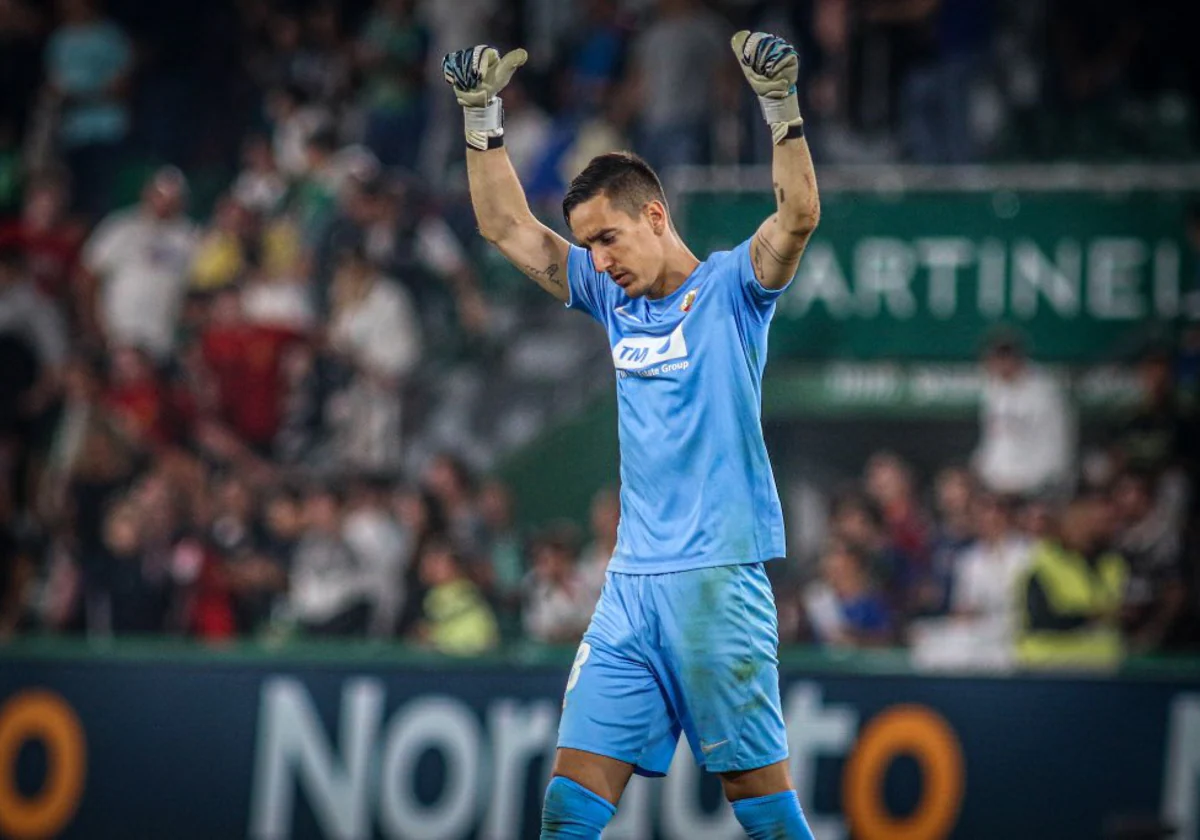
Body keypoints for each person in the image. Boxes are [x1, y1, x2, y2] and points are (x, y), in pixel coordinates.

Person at [442, 28, 819, 839]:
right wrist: (482, 116)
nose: (597, 259)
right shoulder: (612, 298)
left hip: (716, 586)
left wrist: (780, 106)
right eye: (587, 246)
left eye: (608, 238)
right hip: (629, 591)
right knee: (569, 808)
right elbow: (507, 227)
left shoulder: (732, 287)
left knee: (768, 820)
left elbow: (798, 216)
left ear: (655, 215)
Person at [972, 332, 1074, 499]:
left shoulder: (1044, 391)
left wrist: (1022, 483)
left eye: (996, 360)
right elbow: (994, 442)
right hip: (1001, 487)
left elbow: (1056, 451)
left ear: (1011, 359)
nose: (991, 366)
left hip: (1038, 490)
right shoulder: (993, 388)